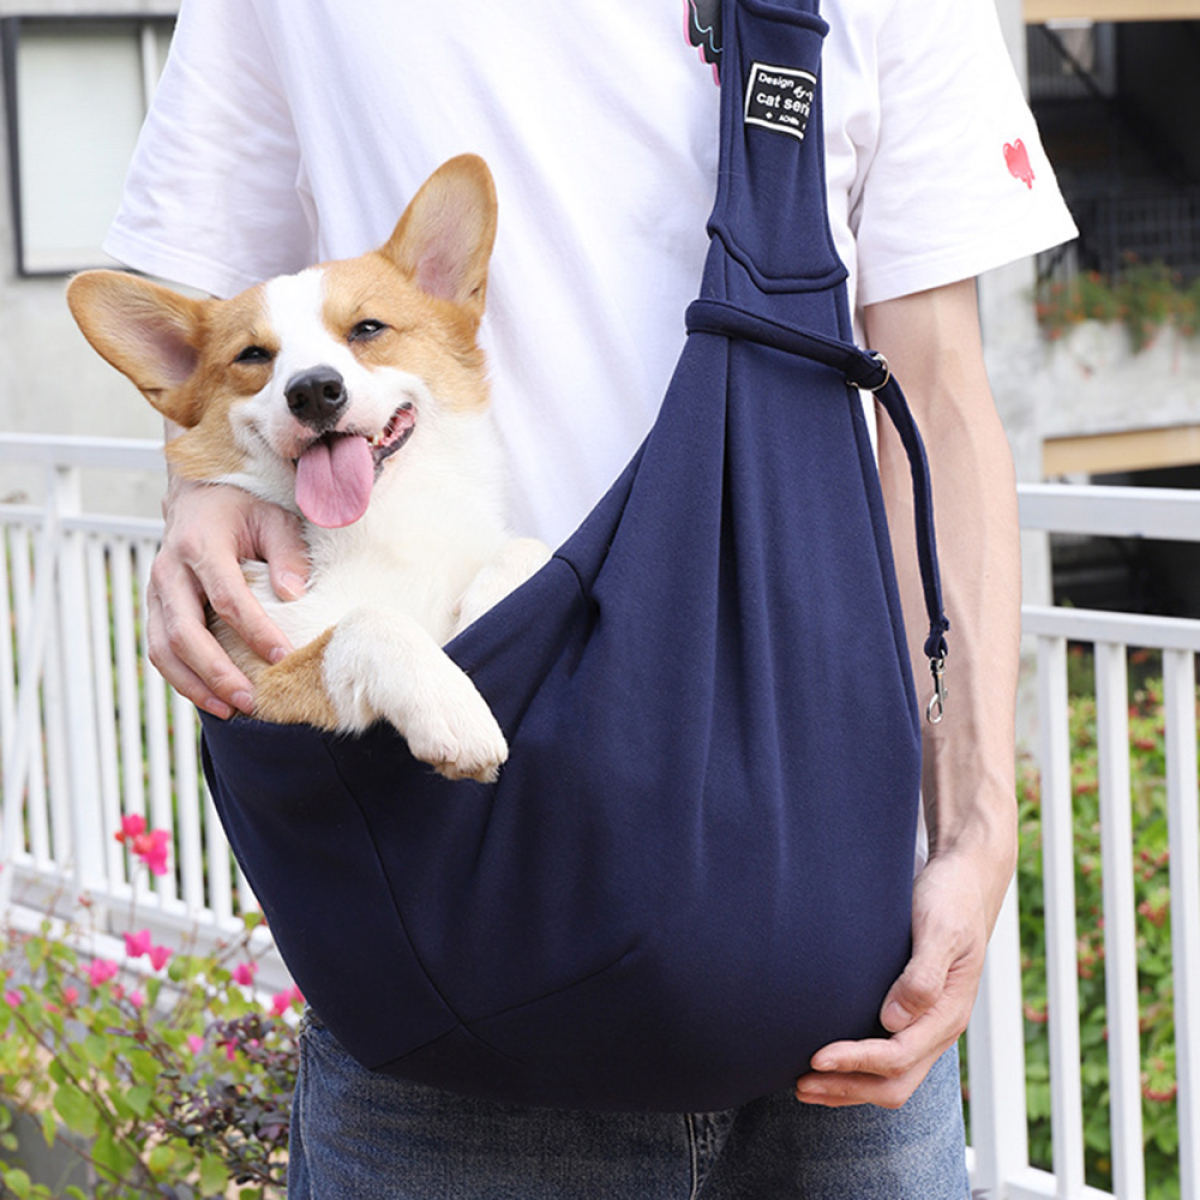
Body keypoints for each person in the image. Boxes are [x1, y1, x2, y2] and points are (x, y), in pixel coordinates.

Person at [104, 0, 1076, 1194]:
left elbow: (937, 396)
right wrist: (199, 497)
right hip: (453, 950)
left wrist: (975, 831)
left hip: (832, 935)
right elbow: (209, 331)